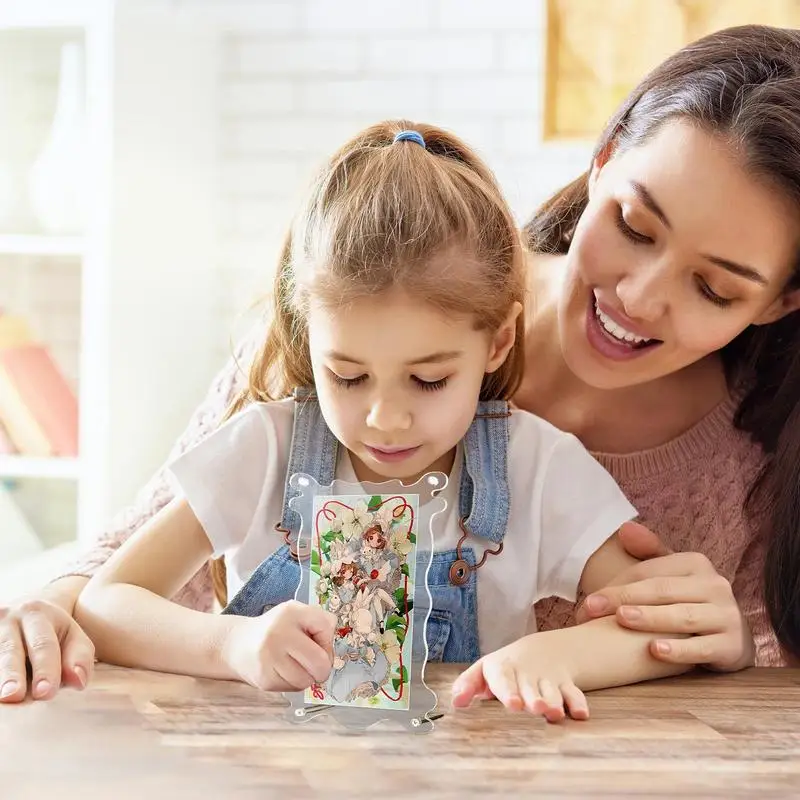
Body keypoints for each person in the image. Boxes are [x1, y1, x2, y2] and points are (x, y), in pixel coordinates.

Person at [2, 22, 798, 704]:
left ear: (778, 303)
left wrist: (708, 648)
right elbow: (117, 582)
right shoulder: (372, 302)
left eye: (712, 286)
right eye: (634, 222)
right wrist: (55, 612)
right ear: (603, 157)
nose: (639, 294)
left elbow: (725, 673)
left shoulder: (575, 463)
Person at [71, 120, 693, 722]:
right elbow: (107, 603)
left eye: (429, 380)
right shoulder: (267, 450)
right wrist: (231, 645)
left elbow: (661, 627)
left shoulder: (535, 467)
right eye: (346, 375)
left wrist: (556, 653)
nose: (385, 419)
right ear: (307, 338)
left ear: (499, 342)